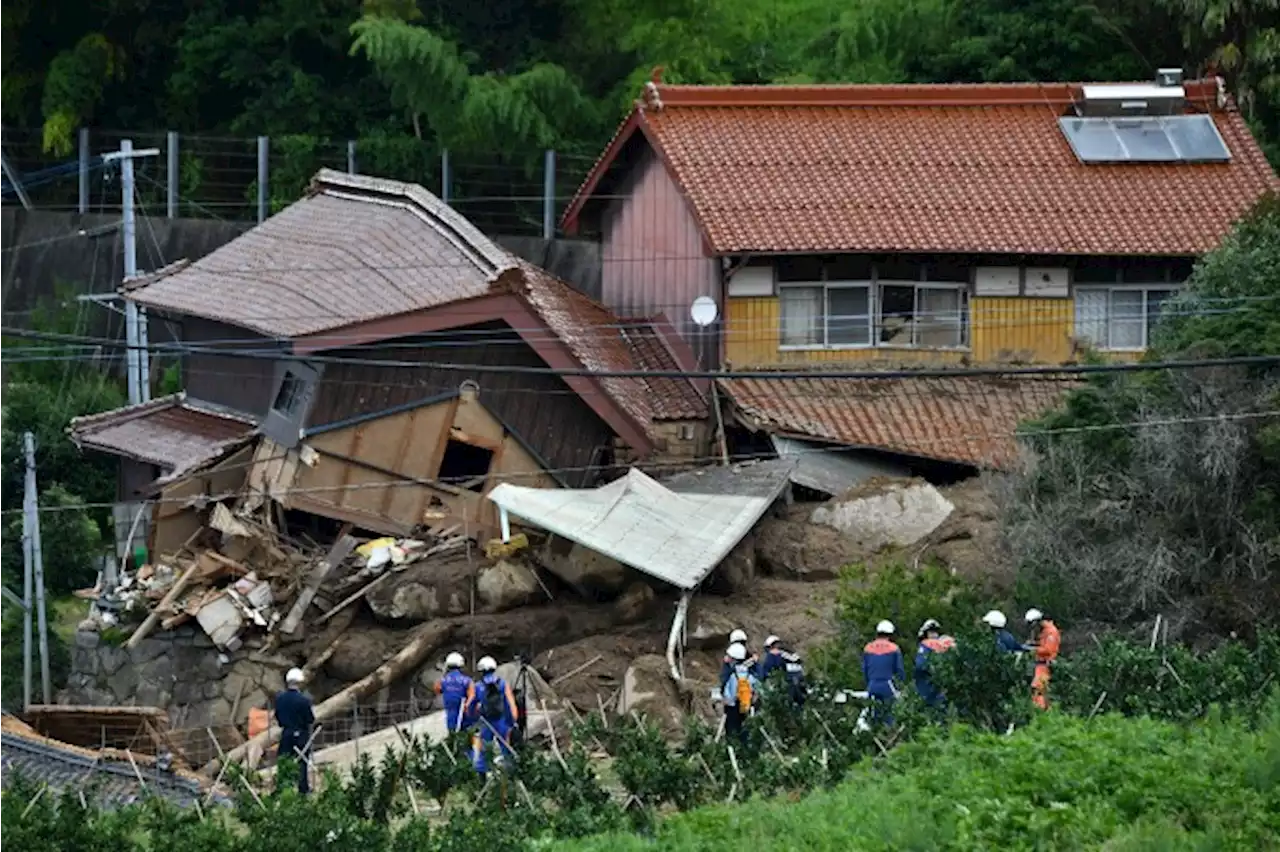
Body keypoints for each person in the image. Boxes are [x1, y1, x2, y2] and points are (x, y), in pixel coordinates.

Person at [468, 656, 519, 775]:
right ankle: (508, 774)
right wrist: (510, 722)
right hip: (501, 721)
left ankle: (482, 775)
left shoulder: (478, 686)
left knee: (484, 749)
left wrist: (472, 717)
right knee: (505, 747)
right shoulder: (502, 684)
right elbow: (507, 703)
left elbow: (471, 706)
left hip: (486, 723)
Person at [275, 668, 315, 795]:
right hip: (301, 734)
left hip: (286, 733)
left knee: (284, 760)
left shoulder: (280, 699)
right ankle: (303, 789)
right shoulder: (303, 700)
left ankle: (283, 788)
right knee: (302, 762)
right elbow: (310, 719)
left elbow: (278, 716)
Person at [862, 621, 905, 726]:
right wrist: (901, 685)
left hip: (872, 685)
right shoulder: (894, 648)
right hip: (887, 684)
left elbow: (864, 670)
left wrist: (868, 683)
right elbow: (899, 669)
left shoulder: (868, 648)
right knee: (890, 715)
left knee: (874, 715)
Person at [721, 642, 758, 747]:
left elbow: (728, 693)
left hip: (733, 707)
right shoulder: (748, 673)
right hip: (746, 705)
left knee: (732, 731)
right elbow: (756, 687)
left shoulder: (732, 675)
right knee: (744, 730)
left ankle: (732, 750)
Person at [914, 618, 956, 709]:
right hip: (943, 687)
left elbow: (920, 665)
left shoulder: (925, 645)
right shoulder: (945, 644)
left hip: (926, 687)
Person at [1025, 609, 1061, 710]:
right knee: (1035, 689)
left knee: (1039, 689)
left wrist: (1033, 649)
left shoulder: (1051, 632)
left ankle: (1041, 710)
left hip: (1045, 665)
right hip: (1039, 665)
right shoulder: (1043, 632)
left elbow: (1048, 649)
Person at [435, 651, 475, 733]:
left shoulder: (443, 680)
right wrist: (467, 705)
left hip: (450, 713)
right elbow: (472, 694)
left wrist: (444, 673)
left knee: (452, 734)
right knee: (466, 734)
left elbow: (437, 689)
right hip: (464, 711)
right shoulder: (466, 680)